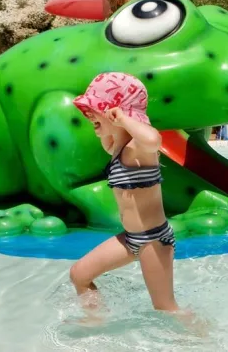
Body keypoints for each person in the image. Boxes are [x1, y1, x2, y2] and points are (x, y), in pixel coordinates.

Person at [70, 72, 179, 318]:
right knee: (79, 275)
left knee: (165, 308)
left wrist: (121, 119)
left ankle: (204, 340)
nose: (88, 115)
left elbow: (153, 139)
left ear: (117, 112)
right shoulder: (117, 147)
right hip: (131, 238)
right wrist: (106, 124)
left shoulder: (138, 149)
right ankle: (95, 324)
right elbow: (109, 138)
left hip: (153, 240)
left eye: (93, 108)